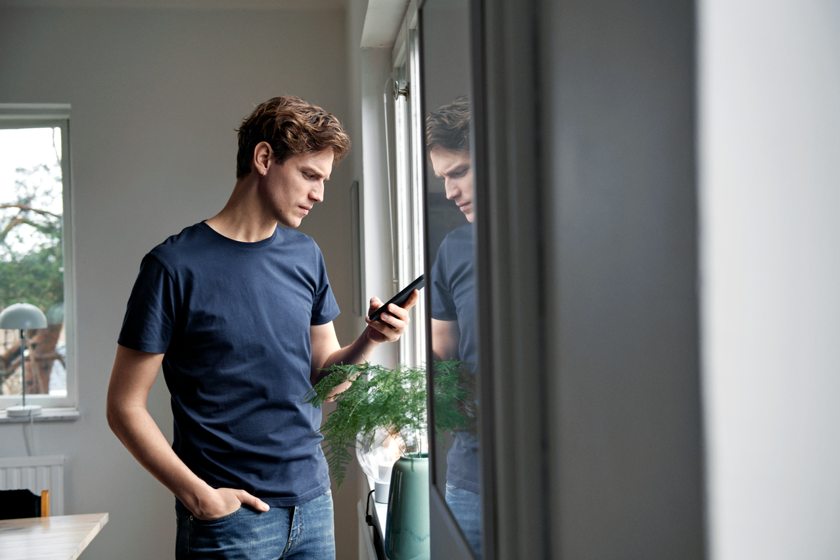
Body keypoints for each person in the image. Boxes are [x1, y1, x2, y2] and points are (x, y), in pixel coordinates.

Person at [106, 96, 418, 560]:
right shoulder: (172, 267)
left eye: (324, 180)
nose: (320, 194)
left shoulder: (305, 255)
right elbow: (123, 407)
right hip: (230, 521)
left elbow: (326, 383)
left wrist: (370, 339)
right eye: (310, 175)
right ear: (265, 158)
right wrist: (200, 497)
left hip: (313, 507)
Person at [426, 96, 482, 558]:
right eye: (442, 178)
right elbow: (442, 355)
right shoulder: (453, 248)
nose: (448, 191)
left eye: (458, 172)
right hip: (471, 479)